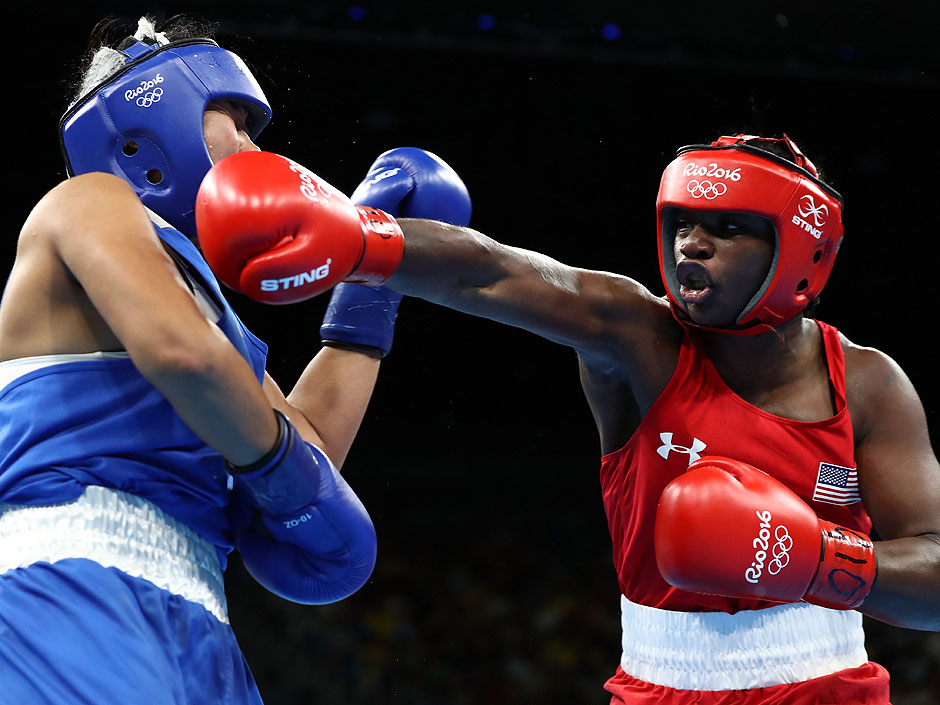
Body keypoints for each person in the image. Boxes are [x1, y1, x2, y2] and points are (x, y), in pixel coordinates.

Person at [197, 135, 940, 703]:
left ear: (799, 253)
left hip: (826, 683)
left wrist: (815, 558)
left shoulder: (868, 384)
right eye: (682, 221)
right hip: (658, 683)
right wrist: (361, 240)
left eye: (728, 227)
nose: (692, 242)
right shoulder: (638, 340)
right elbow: (495, 271)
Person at [0, 15, 467, 705]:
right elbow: (185, 361)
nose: (252, 147)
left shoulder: (210, 316)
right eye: (236, 121)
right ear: (145, 132)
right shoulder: (89, 201)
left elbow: (302, 446)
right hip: (72, 576)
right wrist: (285, 471)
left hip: (200, 615)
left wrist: (370, 283)